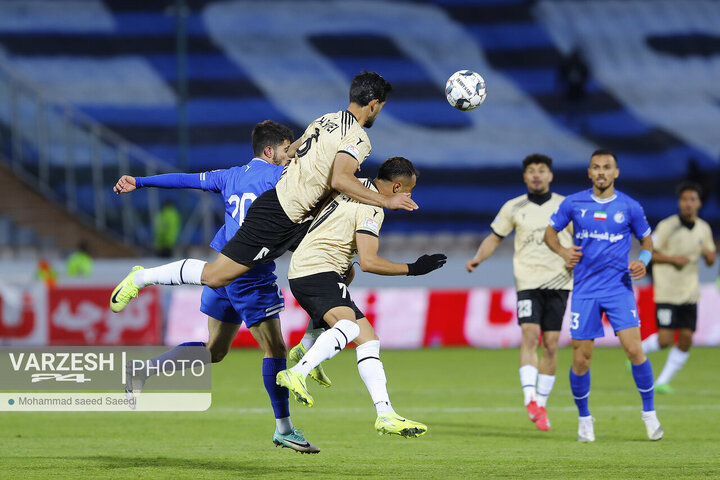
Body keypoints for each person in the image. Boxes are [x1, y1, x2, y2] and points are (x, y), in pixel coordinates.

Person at [110, 71, 417, 313]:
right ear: (374, 104)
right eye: (382, 107)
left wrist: (316, 168)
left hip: (297, 218)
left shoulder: (325, 119)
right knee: (217, 275)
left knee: (339, 268)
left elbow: (295, 151)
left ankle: (314, 344)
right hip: (279, 214)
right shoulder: (358, 138)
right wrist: (386, 200)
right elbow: (339, 179)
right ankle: (141, 277)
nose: (380, 112)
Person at [113, 120, 320, 453]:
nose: (289, 156)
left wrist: (139, 181)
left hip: (223, 262)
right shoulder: (280, 178)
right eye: (286, 149)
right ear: (270, 150)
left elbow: (185, 180)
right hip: (250, 275)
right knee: (276, 350)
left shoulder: (230, 175)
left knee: (215, 350)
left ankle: (143, 370)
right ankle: (284, 428)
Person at [275, 157, 446, 437]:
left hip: (315, 268)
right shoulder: (373, 207)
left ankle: (386, 414)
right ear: (396, 186)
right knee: (349, 326)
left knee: (368, 340)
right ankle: (298, 371)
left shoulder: (354, 186)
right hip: (318, 269)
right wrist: (414, 269)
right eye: (408, 191)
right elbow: (369, 261)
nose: (409, 196)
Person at [545, 149, 663, 442]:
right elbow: (549, 232)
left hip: (618, 288)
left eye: (607, 167)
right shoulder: (574, 203)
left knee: (635, 351)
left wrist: (643, 261)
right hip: (585, 290)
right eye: (596, 167)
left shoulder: (630, 206)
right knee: (582, 358)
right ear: (589, 172)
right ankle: (584, 418)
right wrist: (562, 251)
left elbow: (646, 241)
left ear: (616, 173)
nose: (601, 172)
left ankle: (649, 413)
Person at [465, 154, 572, 432]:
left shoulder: (566, 206)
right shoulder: (513, 207)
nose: (536, 175)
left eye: (542, 170)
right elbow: (494, 237)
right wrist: (478, 258)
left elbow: (581, 239)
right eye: (531, 171)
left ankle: (541, 404)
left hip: (560, 281)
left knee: (551, 344)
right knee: (530, 335)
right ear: (525, 177)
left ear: (550, 175)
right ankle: (530, 399)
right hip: (528, 281)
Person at [641, 182, 715, 393]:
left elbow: (709, 259)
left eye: (692, 199)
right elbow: (650, 254)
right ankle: (637, 352)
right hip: (667, 291)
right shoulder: (667, 226)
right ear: (679, 202)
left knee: (686, 338)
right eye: (684, 199)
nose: (688, 204)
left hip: (690, 293)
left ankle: (662, 381)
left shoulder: (704, 228)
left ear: (699, 203)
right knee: (665, 339)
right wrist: (672, 259)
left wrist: (710, 258)